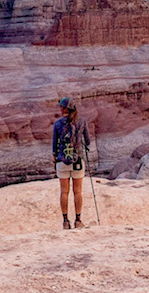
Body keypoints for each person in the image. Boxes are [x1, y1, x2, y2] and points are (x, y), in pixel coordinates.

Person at [52, 96, 91, 229]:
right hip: (77, 161)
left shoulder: (58, 124)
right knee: (77, 191)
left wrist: (54, 158)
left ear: (65, 108)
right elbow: (88, 141)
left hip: (62, 161)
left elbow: (54, 145)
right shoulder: (82, 121)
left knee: (64, 192)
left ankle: (65, 221)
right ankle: (78, 220)